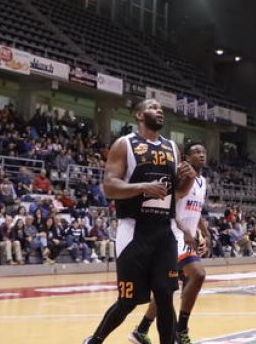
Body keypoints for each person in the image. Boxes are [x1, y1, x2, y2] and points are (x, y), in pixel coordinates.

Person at [82, 99, 195, 344]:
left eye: (161, 109)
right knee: (128, 300)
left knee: (165, 295)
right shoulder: (124, 144)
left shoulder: (172, 147)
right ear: (139, 115)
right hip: (135, 230)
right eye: (153, 108)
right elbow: (109, 186)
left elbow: (178, 192)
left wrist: (188, 179)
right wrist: (143, 187)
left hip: (164, 231)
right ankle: (95, 340)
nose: (159, 111)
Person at [132, 141, 210, 344]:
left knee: (166, 288)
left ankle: (142, 329)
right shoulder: (182, 174)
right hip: (173, 233)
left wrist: (205, 233)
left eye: (203, 151)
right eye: (196, 152)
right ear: (186, 157)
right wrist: (185, 231)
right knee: (198, 274)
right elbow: (169, 204)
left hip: (188, 237)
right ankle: (181, 329)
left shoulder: (203, 181)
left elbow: (196, 210)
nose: (201, 155)